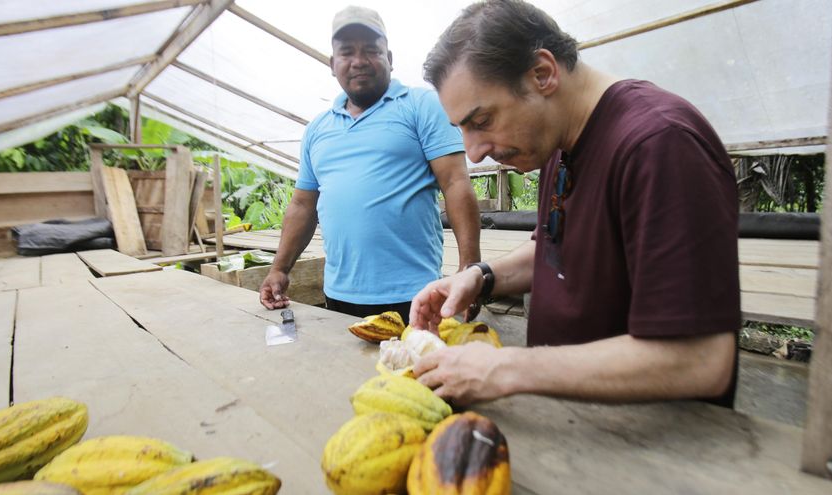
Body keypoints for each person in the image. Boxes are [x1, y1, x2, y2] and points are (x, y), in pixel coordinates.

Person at [410, 0, 740, 407]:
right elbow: (555, 246)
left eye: (482, 121)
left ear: (543, 74)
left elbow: (702, 359)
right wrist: (482, 276)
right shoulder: (559, 143)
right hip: (582, 430)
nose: (473, 153)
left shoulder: (659, 145)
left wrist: (506, 368)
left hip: (649, 449)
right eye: (462, 128)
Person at [259, 6, 480, 325]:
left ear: (389, 58)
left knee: (416, 372)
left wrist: (470, 267)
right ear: (332, 64)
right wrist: (279, 269)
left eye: (371, 50)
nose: (359, 60)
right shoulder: (318, 128)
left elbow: (456, 183)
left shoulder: (421, 105)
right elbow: (302, 205)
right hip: (340, 294)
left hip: (415, 294)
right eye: (346, 52)